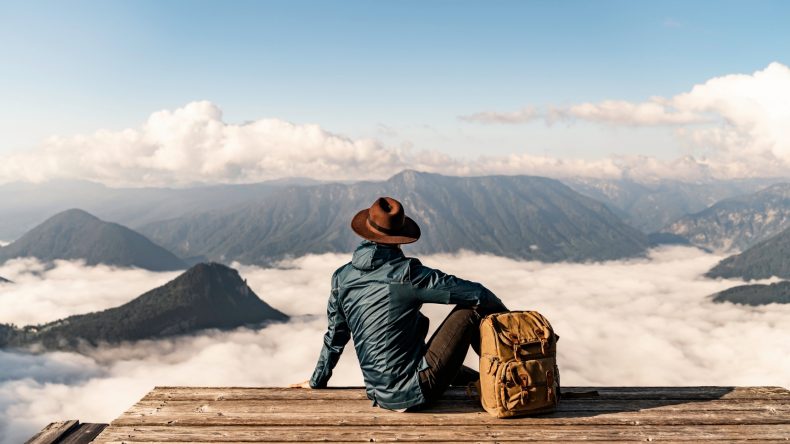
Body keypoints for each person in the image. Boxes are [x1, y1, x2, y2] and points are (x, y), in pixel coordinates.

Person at [290, 196, 507, 411]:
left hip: (379, 393)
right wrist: (514, 322)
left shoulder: (341, 277)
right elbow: (477, 293)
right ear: (401, 237)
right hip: (415, 391)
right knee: (470, 309)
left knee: (460, 372)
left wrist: (316, 381)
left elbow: (335, 336)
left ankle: (497, 381)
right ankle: (515, 362)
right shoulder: (407, 273)